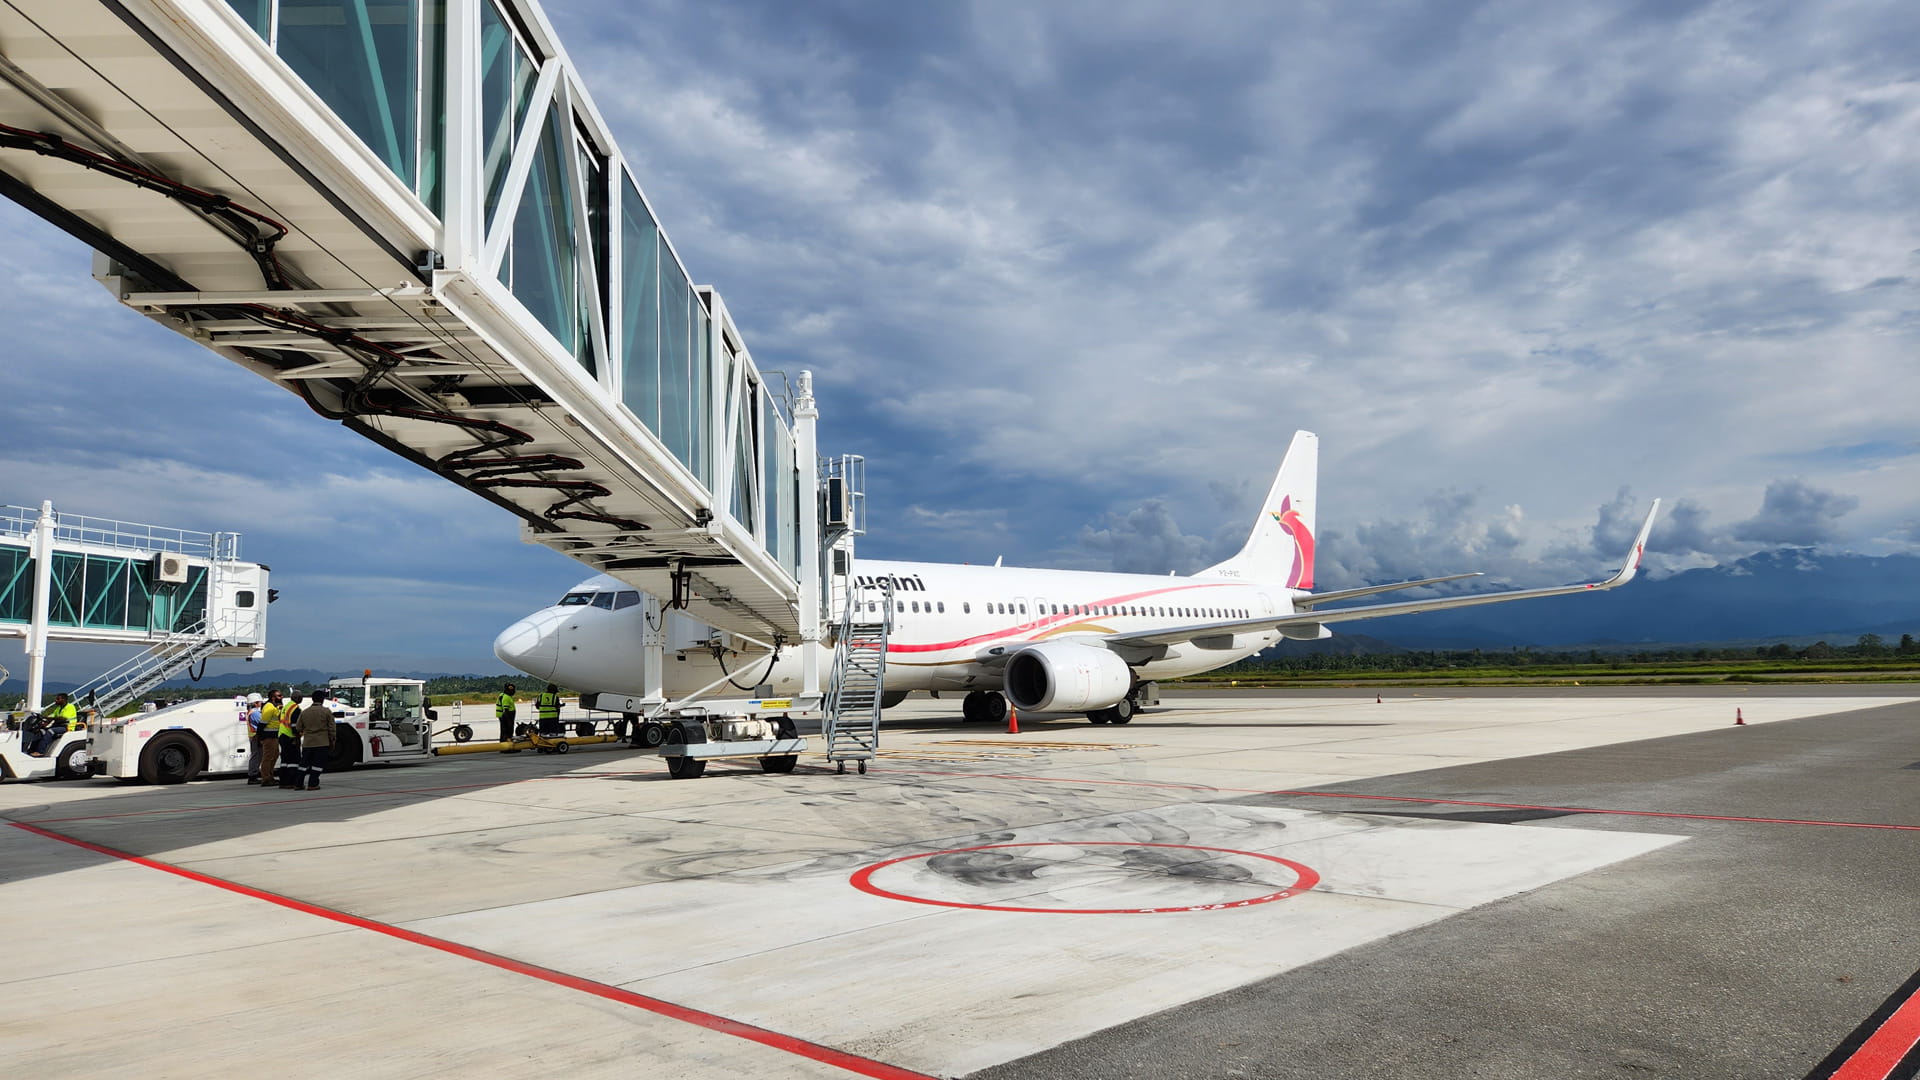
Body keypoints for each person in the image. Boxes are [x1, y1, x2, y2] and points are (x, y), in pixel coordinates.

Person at [294, 689, 337, 791]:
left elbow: (298, 727)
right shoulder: (326, 712)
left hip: (308, 743)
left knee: (303, 765)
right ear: (322, 699)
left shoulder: (304, 712)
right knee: (317, 765)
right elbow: (332, 729)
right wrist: (332, 741)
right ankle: (312, 784)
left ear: (312, 699)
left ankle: (298, 784)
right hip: (322, 742)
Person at [275, 691, 307, 790]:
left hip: (282, 735)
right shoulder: (295, 709)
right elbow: (294, 725)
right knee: (294, 761)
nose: (301, 699)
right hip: (290, 736)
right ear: (298, 698)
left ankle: (283, 782)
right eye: (301, 697)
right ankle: (292, 781)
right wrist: (297, 737)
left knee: (285, 761)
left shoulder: (286, 706)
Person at [257, 690, 286, 785]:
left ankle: (270, 776)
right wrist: (259, 736)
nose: (281, 697)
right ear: (273, 697)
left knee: (274, 756)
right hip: (269, 736)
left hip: (274, 735)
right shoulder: (269, 707)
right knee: (268, 757)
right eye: (279, 696)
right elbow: (263, 723)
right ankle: (266, 778)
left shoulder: (275, 706)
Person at [243, 693, 266, 783]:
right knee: (256, 757)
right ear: (256, 703)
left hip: (254, 737)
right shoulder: (255, 713)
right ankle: (252, 776)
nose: (261, 703)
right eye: (260, 702)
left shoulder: (251, 712)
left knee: (256, 756)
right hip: (256, 737)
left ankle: (253, 775)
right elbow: (263, 722)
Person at [496, 682, 521, 751]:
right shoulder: (506, 697)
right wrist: (509, 720)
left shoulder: (502, 695)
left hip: (503, 716)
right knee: (507, 731)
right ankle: (507, 747)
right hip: (506, 716)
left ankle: (503, 746)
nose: (513, 692)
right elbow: (506, 710)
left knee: (503, 731)